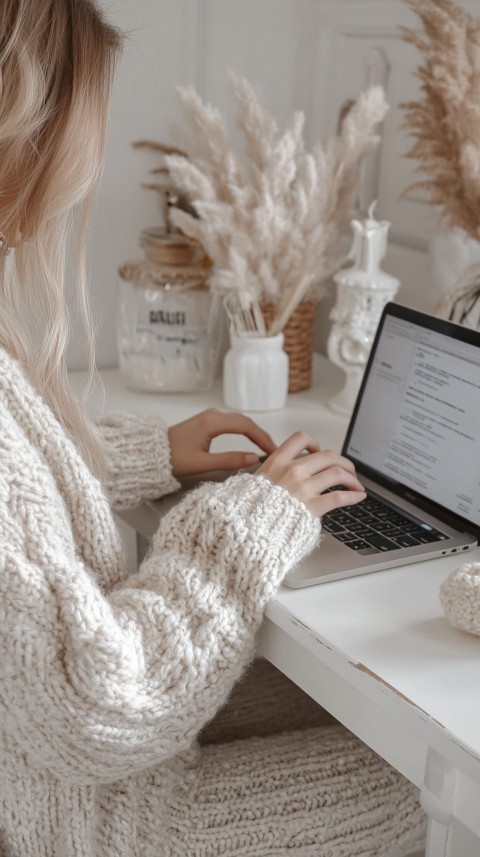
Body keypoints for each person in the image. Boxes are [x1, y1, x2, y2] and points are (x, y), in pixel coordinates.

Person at [0, 2, 427, 855]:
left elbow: (20, 503)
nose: (85, 168)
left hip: (65, 770)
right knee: (430, 781)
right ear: (24, 130)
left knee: (361, 705)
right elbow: (96, 705)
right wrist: (252, 520)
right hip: (96, 813)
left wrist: (144, 452)